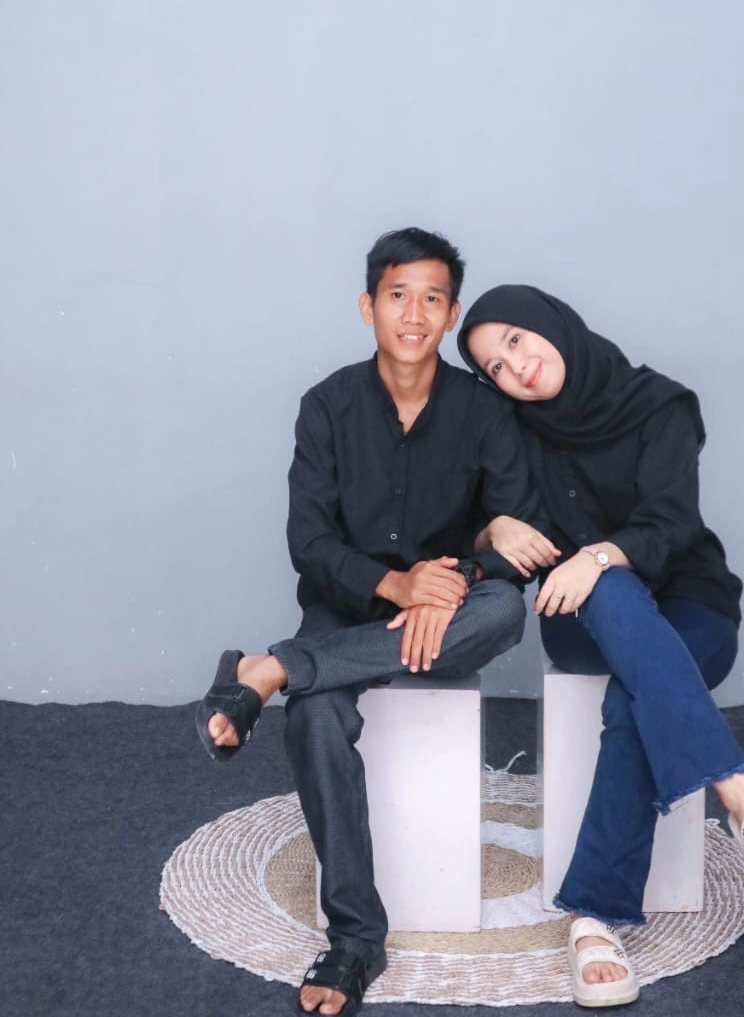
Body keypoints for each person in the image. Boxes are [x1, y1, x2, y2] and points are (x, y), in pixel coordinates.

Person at [457, 284, 744, 1010]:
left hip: (691, 606)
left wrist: (597, 556)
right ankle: (741, 794)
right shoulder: (507, 431)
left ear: (550, 325)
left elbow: (670, 525)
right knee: (608, 596)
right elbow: (478, 532)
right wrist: (491, 529)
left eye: (515, 340)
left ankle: (594, 917)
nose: (514, 367)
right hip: (580, 621)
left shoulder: (659, 405)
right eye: (494, 367)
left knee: (633, 702)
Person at [196, 231, 544, 1017]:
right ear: (367, 307)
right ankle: (355, 941)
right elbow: (309, 541)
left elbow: (514, 532)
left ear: (451, 314)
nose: (413, 314)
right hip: (348, 605)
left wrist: (450, 584)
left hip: (450, 612)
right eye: (397, 296)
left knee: (504, 610)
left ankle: (272, 667)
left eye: (431, 298)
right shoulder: (326, 406)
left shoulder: (485, 411)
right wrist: (394, 584)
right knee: (314, 718)